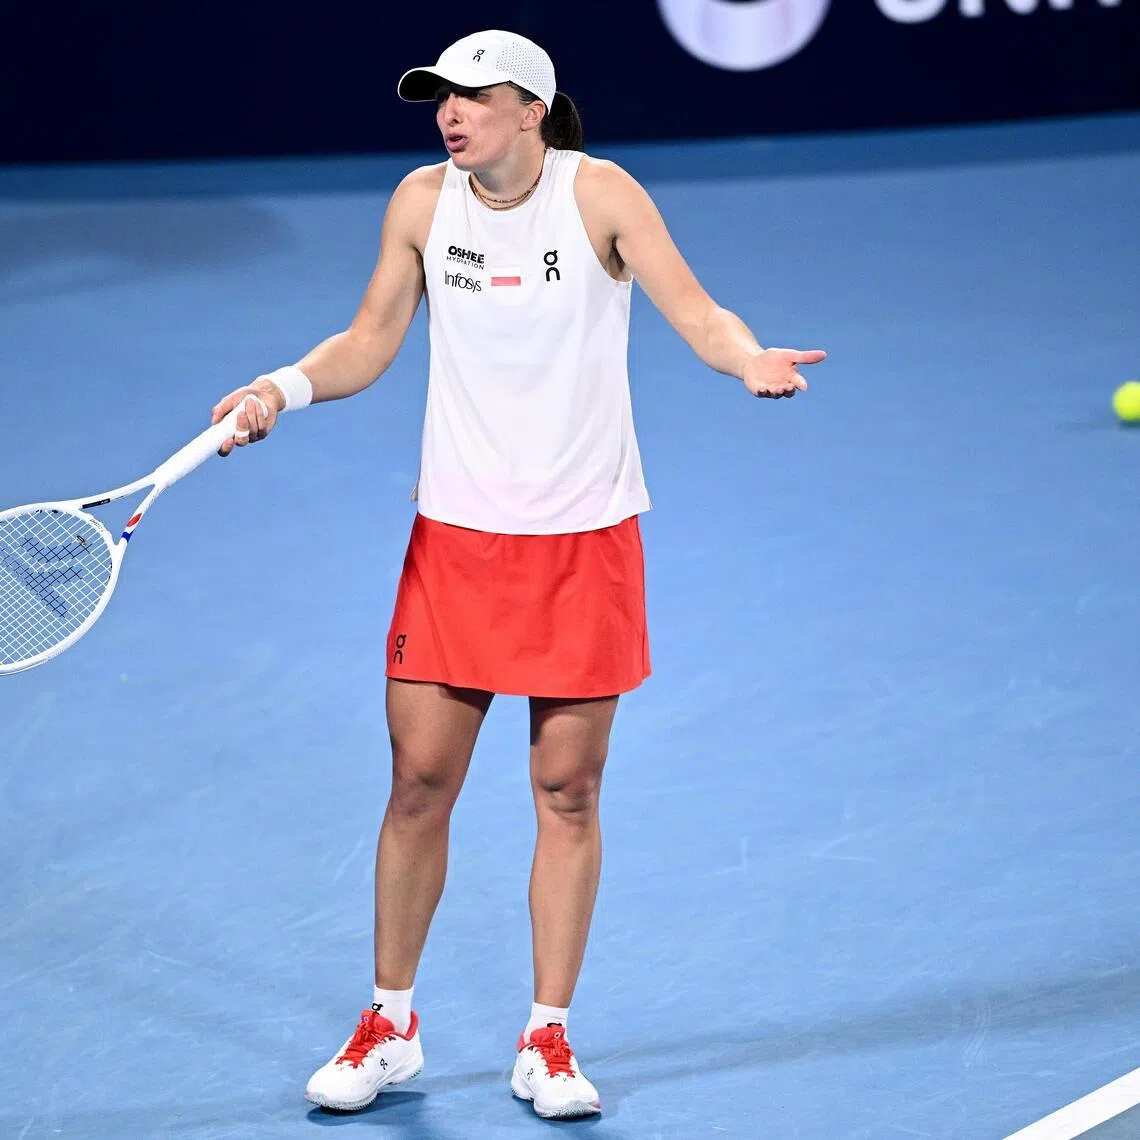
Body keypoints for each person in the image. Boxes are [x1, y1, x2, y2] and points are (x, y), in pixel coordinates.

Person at [210, 29, 826, 1121]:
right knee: (417, 785)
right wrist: (280, 388)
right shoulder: (418, 202)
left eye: (475, 98)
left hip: (585, 540)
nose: (451, 115)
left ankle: (547, 1039)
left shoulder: (600, 196)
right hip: (457, 538)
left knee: (568, 792)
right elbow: (368, 338)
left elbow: (696, 311)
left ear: (531, 110)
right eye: (440, 98)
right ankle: (389, 1024)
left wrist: (749, 359)